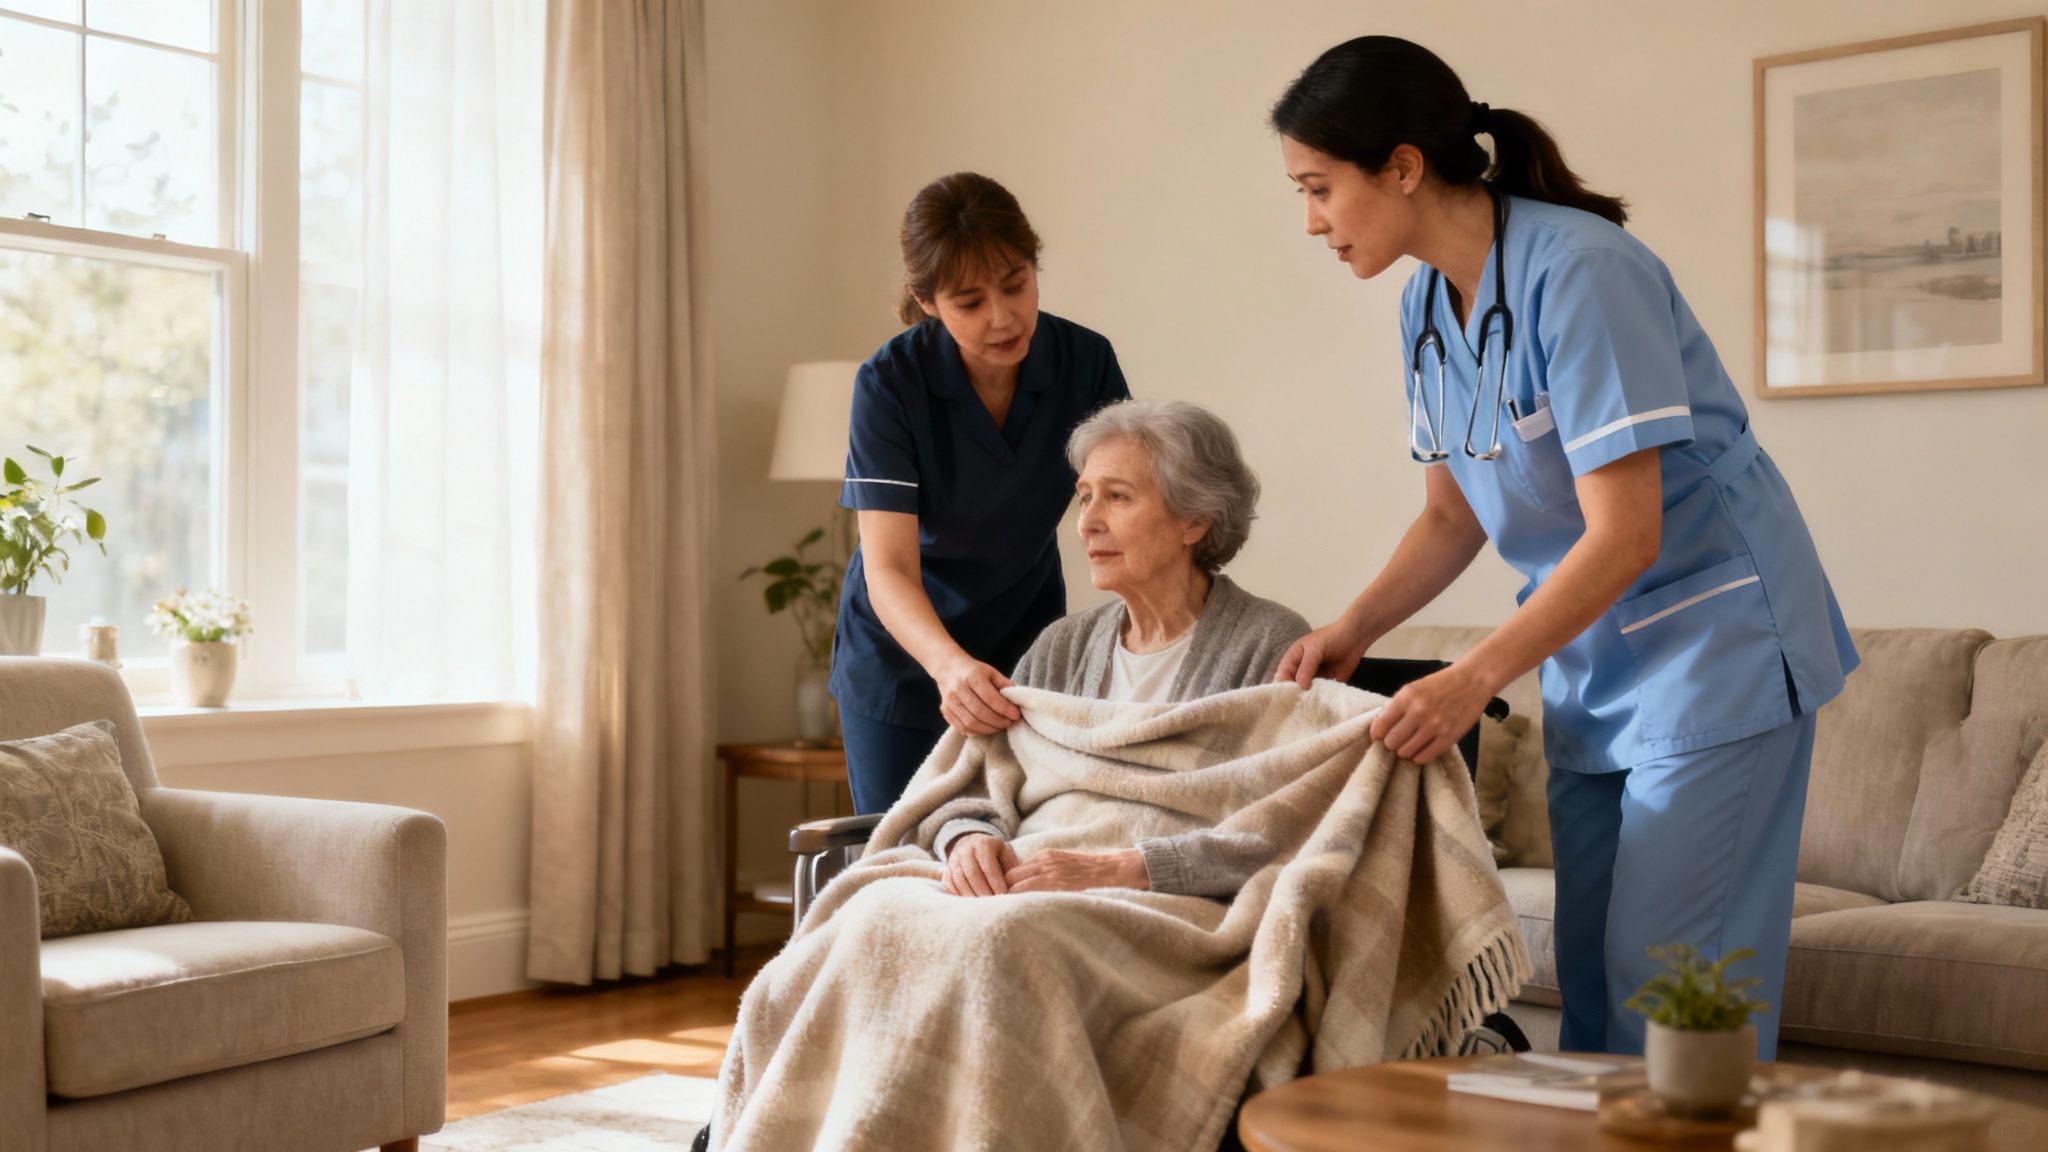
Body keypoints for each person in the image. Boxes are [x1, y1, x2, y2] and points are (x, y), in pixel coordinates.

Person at [1268, 36, 1858, 1060]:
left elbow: (1625, 533)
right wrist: (1350, 627)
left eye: (1319, 188)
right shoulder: (1422, 303)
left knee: (1672, 984)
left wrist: (1471, 677)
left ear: (1400, 167)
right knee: (1585, 977)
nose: (1309, 220)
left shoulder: (1583, 272)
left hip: (1713, 649)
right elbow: (1451, 517)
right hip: (1591, 659)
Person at [833, 172, 1130, 814]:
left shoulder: (1086, 362)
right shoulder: (890, 386)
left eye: (1016, 284)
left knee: (1021, 852)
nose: (1003, 317)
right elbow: (887, 566)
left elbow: (1127, 511)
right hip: (907, 659)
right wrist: (948, 666)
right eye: (969, 302)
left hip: (1028, 641)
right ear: (928, 301)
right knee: (901, 864)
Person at [934, 398, 1311, 899]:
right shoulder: (1061, 645)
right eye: (1084, 496)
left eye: (1117, 497)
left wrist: (1121, 869)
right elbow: (983, 777)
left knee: (999, 942)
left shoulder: (1268, 642)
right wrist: (969, 838)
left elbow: (1286, 823)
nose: (1087, 523)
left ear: (1194, 521)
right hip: (1023, 879)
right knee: (875, 919)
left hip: (1163, 898)